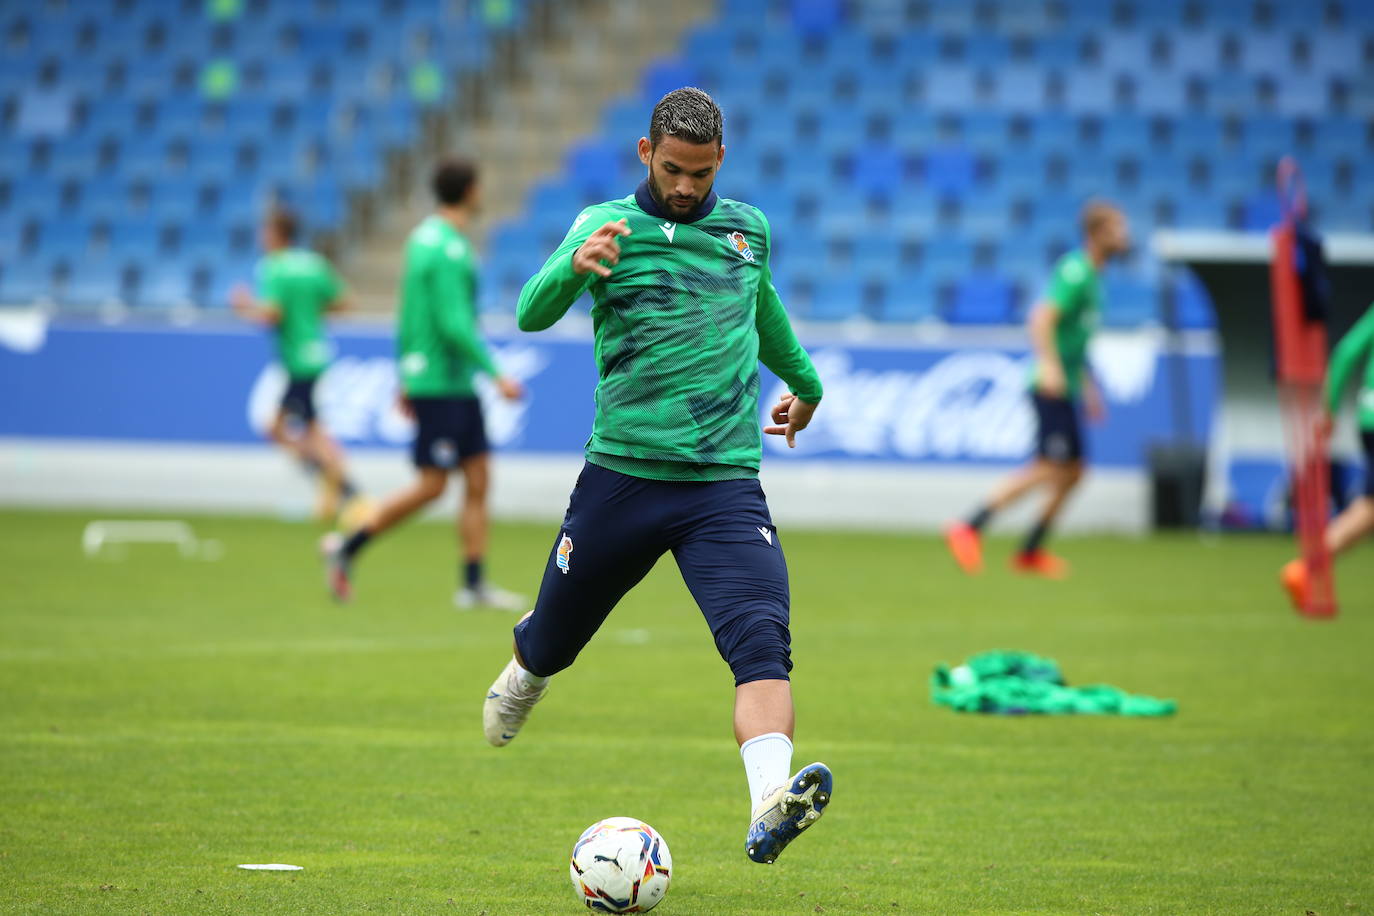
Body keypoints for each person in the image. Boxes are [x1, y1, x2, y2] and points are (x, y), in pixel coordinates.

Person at [479, 88, 833, 866]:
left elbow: (763, 311)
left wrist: (806, 384)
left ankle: (769, 802)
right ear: (646, 153)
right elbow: (530, 312)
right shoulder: (605, 225)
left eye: (700, 173)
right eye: (672, 169)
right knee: (553, 641)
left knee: (762, 644)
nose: (685, 186)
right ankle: (527, 668)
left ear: (721, 161)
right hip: (622, 478)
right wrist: (572, 268)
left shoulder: (747, 229)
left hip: (723, 484)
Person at [322, 159, 525, 609]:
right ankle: (348, 546)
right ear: (470, 191)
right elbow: (454, 324)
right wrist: (496, 373)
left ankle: (473, 583)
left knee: (478, 477)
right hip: (443, 382)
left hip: (443, 380)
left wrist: (404, 372)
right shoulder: (450, 248)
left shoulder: (421, 239)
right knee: (434, 485)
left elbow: (409, 313)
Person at [945, 201, 1131, 579]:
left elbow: (1075, 340)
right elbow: (1042, 318)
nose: (1124, 236)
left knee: (1074, 472)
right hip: (1050, 385)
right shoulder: (1076, 271)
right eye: (1117, 228)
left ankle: (1030, 550)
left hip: (1068, 385)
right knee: (1049, 466)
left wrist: (1088, 387)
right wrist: (1050, 367)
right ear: (1096, 233)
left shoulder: (1095, 277)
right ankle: (969, 525)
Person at [232, 208, 364, 524]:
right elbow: (344, 302)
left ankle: (348, 492)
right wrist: (309, 312)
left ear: (276, 234)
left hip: (298, 361)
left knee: (290, 431)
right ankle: (333, 489)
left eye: (265, 231)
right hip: (317, 354)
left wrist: (245, 307)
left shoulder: (274, 267)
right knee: (304, 428)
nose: (261, 238)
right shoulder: (313, 264)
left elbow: (272, 314)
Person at [1281, 301, 1374, 608]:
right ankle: (1308, 567)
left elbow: (1346, 352)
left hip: (1368, 416)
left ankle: (1308, 567)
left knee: (1370, 507)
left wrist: (1328, 409)